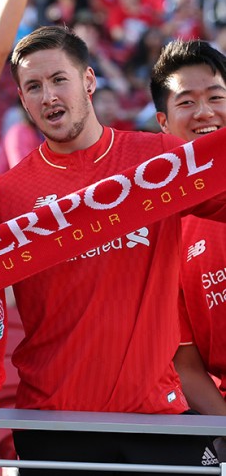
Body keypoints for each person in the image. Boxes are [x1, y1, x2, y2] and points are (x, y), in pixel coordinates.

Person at [0, 25, 226, 475]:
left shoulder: (160, 161)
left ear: (89, 81)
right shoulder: (7, 194)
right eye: (33, 87)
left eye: (59, 79)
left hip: (158, 422)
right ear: (22, 100)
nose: (48, 96)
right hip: (55, 426)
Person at [150, 39, 226, 463]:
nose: (204, 113)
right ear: (163, 121)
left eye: (216, 97)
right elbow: (185, 361)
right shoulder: (160, 223)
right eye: (187, 102)